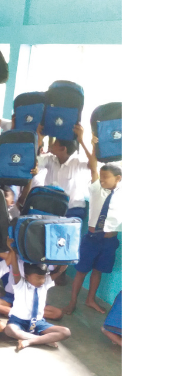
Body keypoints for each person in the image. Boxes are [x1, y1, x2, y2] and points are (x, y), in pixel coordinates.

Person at [65, 135, 122, 315]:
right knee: (81, 271)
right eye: (101, 177)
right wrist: (91, 144)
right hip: (92, 239)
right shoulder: (97, 190)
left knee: (98, 271)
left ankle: (90, 299)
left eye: (107, 178)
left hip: (109, 241)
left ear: (118, 178)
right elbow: (93, 164)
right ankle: (72, 301)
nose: (102, 180)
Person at [3, 259, 72, 352]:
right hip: (19, 321)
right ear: (27, 277)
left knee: (66, 332)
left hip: (38, 322)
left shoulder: (45, 283)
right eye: (38, 277)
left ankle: (29, 341)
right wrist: (12, 251)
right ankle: (41, 340)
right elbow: (15, 270)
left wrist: (67, 258)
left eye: (43, 277)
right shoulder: (20, 284)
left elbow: (61, 269)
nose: (42, 280)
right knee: (9, 329)